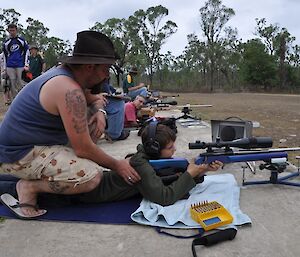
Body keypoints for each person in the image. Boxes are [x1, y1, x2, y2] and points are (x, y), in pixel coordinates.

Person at [0, 30, 140, 219]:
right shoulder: (68, 89)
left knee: (91, 121)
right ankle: (28, 187)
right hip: (17, 154)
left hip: (32, 146)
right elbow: (83, 149)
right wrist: (118, 165)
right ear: (90, 67)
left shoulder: (70, 78)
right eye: (105, 69)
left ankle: (42, 173)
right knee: (90, 177)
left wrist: (100, 112)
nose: (107, 76)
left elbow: (96, 99)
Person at [0, 124, 223, 207]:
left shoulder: (145, 158)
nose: (174, 151)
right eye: (170, 147)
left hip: (86, 185)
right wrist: (190, 173)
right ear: (155, 148)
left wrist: (199, 171)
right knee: (10, 187)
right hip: (76, 194)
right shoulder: (141, 165)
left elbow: (167, 173)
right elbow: (164, 197)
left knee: (22, 180)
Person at [2, 24, 30, 98]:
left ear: (16, 30)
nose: (12, 32)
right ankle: (15, 100)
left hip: (20, 65)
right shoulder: (6, 43)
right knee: (12, 84)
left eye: (13, 30)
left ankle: (24, 98)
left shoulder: (22, 41)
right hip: (10, 66)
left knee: (21, 83)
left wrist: (26, 64)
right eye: (10, 31)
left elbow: (27, 52)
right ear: (8, 31)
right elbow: (5, 56)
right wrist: (4, 68)